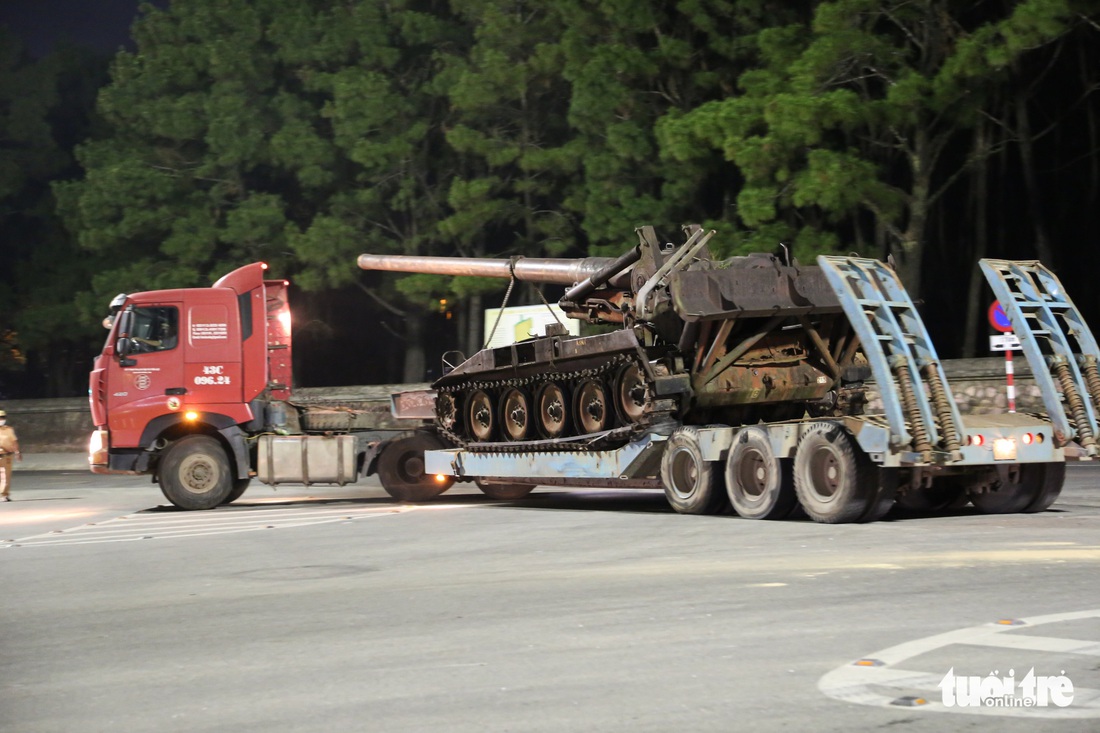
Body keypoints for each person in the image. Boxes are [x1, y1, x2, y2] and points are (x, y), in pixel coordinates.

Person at [0, 409, 22, 501]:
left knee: (6, 476)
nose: (1, 419)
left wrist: (17, 452)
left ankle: (4, 494)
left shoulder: (9, 429)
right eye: (0, 417)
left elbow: (14, 441)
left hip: (7, 455)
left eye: (3, 417)